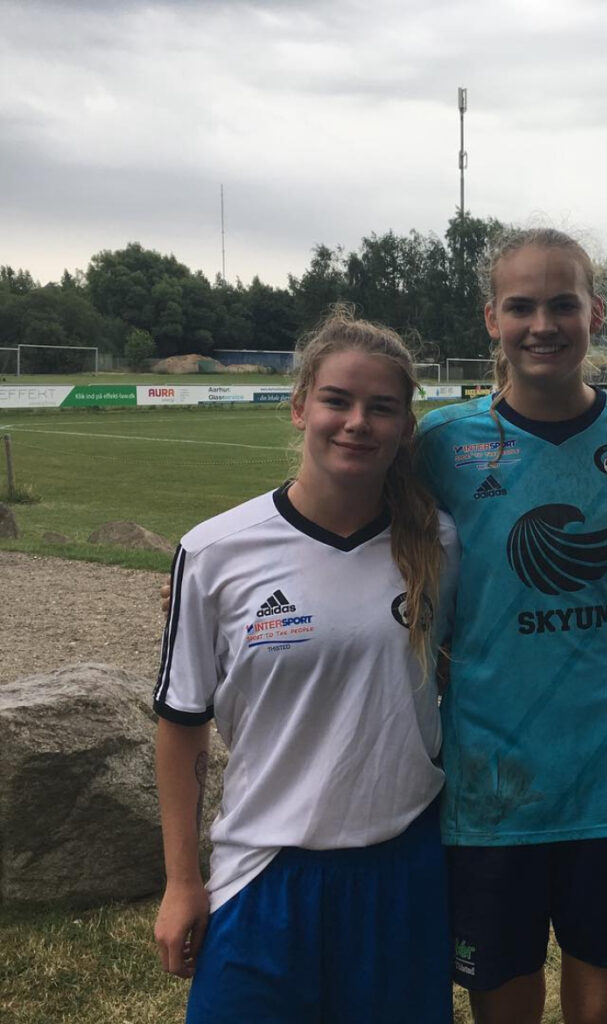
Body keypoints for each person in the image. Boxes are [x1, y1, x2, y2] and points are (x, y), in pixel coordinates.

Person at [153, 308, 460, 1024]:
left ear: (405, 427)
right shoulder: (214, 553)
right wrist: (181, 881)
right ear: (299, 408)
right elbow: (181, 723)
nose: (357, 422)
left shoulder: (441, 544)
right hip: (265, 870)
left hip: (402, 866)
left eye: (381, 407)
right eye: (336, 400)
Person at [416, 227, 607, 1024]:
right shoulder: (442, 444)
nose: (543, 325)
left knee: (602, 1011)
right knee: (505, 1005)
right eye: (521, 306)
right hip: (491, 780)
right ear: (491, 318)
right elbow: (358, 533)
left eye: (562, 304)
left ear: (595, 313)